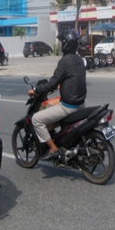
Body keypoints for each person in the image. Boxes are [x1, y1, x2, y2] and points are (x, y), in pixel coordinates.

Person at [29, 28, 87, 162]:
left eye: (62, 42)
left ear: (66, 44)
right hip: (81, 103)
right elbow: (74, 78)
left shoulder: (64, 61)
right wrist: (61, 85)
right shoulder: (79, 59)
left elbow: (52, 83)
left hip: (68, 106)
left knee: (36, 119)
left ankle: (53, 149)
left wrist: (36, 90)